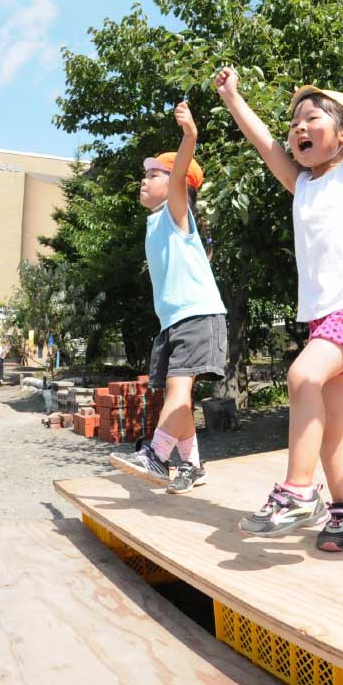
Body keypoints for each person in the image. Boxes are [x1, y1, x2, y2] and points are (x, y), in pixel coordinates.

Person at [214, 12, 343, 552]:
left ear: (342, 137)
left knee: (300, 376)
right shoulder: (302, 186)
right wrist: (232, 99)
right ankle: (342, 509)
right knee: (331, 427)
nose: (297, 128)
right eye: (295, 122)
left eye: (311, 118)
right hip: (326, 314)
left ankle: (297, 491)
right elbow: (263, 141)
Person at [109, 101, 228, 495]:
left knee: (179, 389)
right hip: (174, 321)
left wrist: (189, 136)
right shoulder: (156, 220)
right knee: (179, 394)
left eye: (153, 174)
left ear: (176, 183)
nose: (144, 180)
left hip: (197, 316)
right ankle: (192, 465)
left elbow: (179, 178)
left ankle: (158, 456)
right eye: (145, 174)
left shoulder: (177, 213)